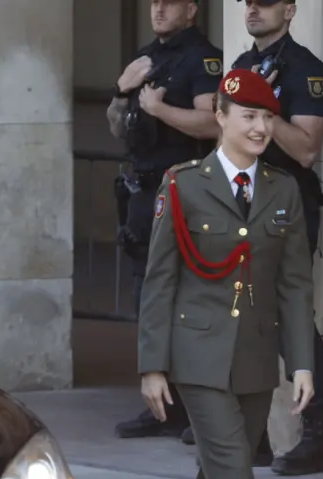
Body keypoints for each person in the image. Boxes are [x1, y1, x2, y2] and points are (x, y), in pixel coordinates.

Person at [138, 68, 315, 479]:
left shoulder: (283, 190)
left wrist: (303, 363)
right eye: (250, 116)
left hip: (256, 358)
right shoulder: (183, 184)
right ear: (222, 118)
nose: (261, 126)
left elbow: (294, 287)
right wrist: (152, 365)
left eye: (268, 117)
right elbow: (160, 280)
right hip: (198, 358)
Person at [184, 0, 323, 476]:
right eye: (248, 3)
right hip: (240, 202)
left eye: (265, 3)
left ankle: (318, 435)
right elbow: (220, 130)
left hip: (286, 205)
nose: (252, 10)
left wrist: (265, 112)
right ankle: (254, 436)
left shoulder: (307, 70)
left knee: (290, 312)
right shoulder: (243, 66)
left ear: (289, 11)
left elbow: (308, 150)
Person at [107, 0, 223, 442]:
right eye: (153, 2)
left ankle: (194, 407)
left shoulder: (202, 59)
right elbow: (117, 126)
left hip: (182, 192)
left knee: (188, 299)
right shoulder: (145, 57)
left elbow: (213, 122)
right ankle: (161, 406)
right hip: (143, 193)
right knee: (147, 297)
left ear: (191, 10)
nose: (157, 9)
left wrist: (159, 110)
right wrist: (122, 89)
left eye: (168, 3)